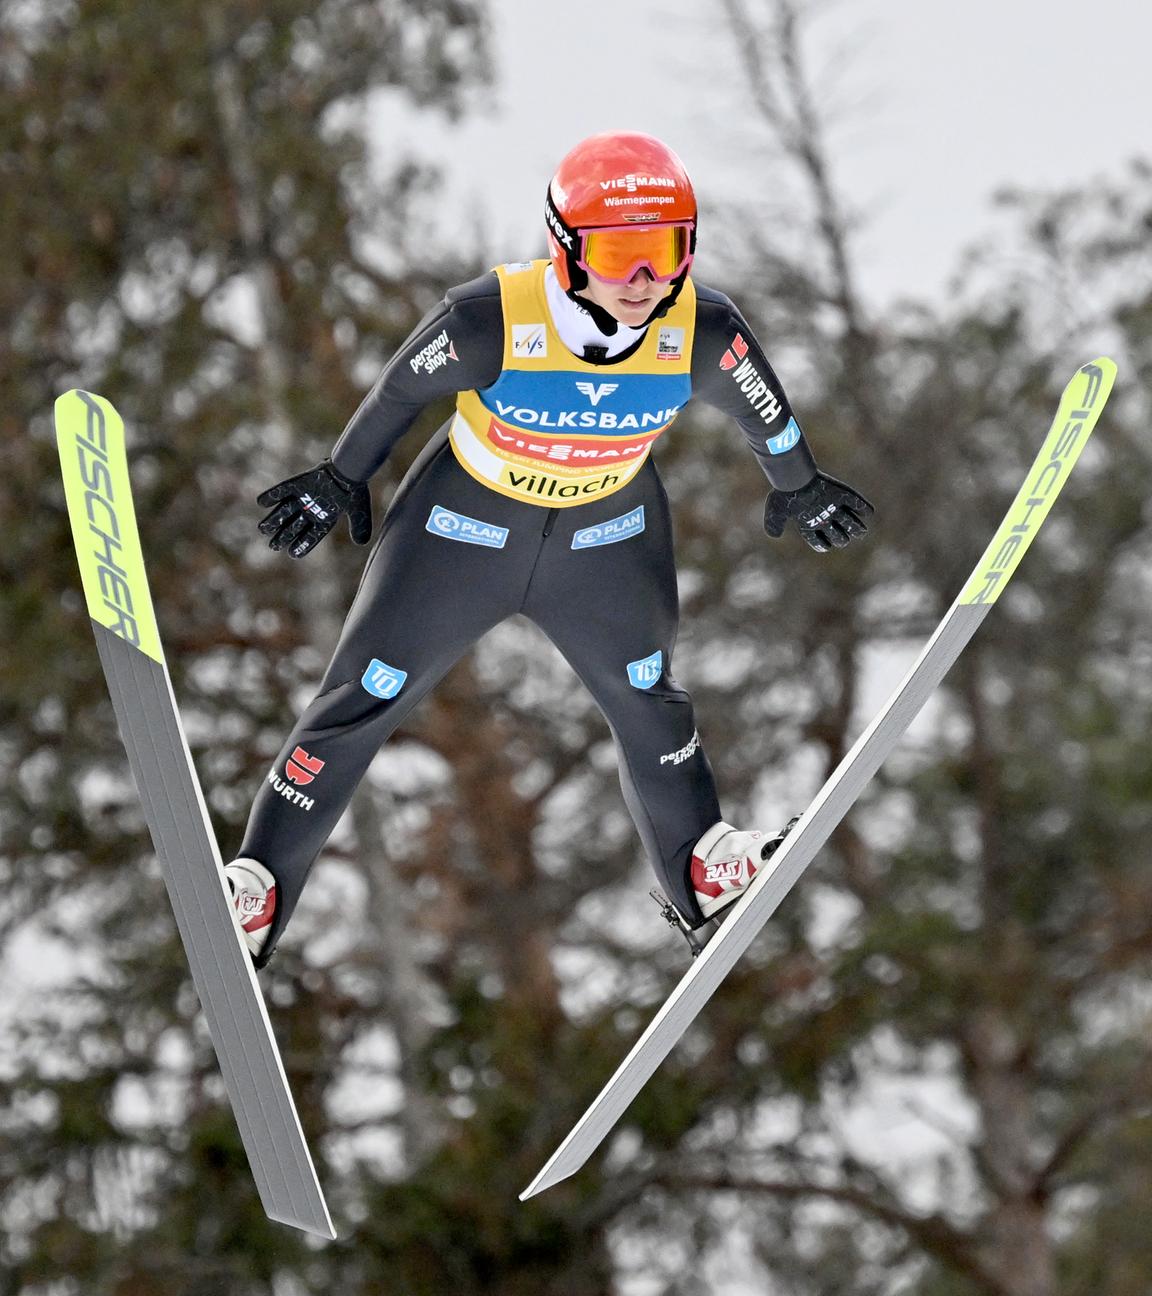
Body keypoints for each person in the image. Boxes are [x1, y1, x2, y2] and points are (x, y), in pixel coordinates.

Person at [225, 131, 873, 967]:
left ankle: (702, 867)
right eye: (620, 254)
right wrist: (340, 476)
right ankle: (260, 883)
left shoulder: (702, 330)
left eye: (667, 251)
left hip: (603, 539)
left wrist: (799, 482)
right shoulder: (489, 319)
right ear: (565, 249)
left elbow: (764, 412)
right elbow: (399, 391)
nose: (645, 280)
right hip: (463, 530)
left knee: (649, 699)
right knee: (362, 693)